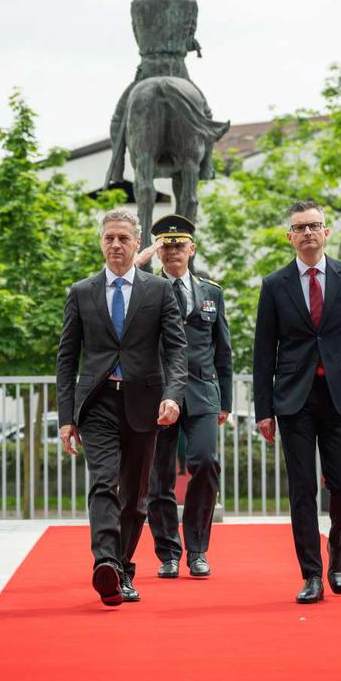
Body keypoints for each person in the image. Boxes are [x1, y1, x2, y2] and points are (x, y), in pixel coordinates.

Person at [253, 200, 341, 604]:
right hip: (294, 399)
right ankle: (311, 573)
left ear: (326, 232)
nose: (308, 232)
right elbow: (263, 353)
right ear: (289, 236)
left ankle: (338, 546)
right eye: (300, 227)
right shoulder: (275, 285)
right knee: (301, 489)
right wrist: (264, 411)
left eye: (315, 225)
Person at [56, 208, 188, 605]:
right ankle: (106, 564)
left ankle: (123, 569)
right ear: (101, 242)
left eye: (123, 238)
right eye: (109, 237)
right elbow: (67, 358)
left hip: (144, 402)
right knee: (103, 483)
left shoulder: (158, 291)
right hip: (97, 403)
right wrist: (66, 417)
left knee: (135, 496)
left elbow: (177, 350)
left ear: (135, 245)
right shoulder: (81, 292)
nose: (116, 244)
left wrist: (173, 394)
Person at [141, 215, 232, 579]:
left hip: (203, 392)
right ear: (158, 251)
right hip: (160, 395)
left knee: (206, 463)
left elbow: (222, 349)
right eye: (166, 245)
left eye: (180, 244)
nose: (174, 251)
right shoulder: (147, 290)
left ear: (191, 249)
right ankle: (168, 553)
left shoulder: (212, 292)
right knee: (158, 476)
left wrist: (224, 400)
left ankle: (197, 548)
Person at [105, 0, 214, 187]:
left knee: (118, 121)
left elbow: (139, 37)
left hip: (148, 71)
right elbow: (187, 37)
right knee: (205, 118)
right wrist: (191, 44)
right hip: (178, 70)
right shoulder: (189, 3)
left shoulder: (138, 4)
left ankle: (118, 168)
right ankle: (206, 165)